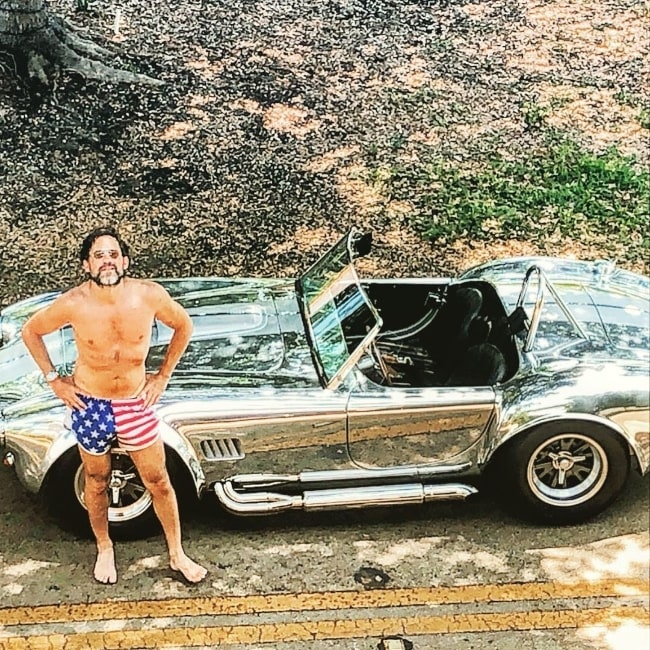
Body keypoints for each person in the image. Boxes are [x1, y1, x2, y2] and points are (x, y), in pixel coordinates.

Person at [21, 226, 207, 585]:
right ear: (86, 266)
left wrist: (162, 376)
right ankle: (104, 547)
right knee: (96, 479)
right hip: (90, 404)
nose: (106, 261)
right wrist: (54, 381)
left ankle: (177, 554)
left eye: (112, 254)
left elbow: (184, 325)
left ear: (124, 261)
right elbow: (32, 331)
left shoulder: (149, 295)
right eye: (97, 256)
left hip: (135, 401)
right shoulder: (74, 303)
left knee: (159, 480)